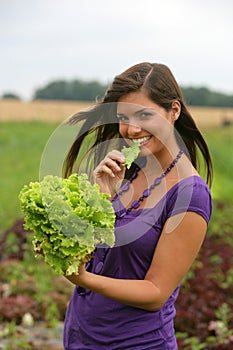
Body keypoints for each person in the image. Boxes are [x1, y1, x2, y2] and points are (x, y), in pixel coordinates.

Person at [62, 62, 213, 349]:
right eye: (124, 117)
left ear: (174, 111)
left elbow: (155, 292)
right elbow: (100, 255)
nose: (131, 129)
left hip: (136, 343)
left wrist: (82, 278)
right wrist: (102, 198)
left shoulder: (190, 194)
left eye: (145, 115)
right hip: (83, 337)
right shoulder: (130, 170)